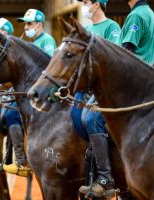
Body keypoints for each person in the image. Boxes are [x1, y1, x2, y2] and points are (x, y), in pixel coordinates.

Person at [72, 0, 121, 196]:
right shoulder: (87, 28)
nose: (84, 6)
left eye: (86, 2)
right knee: (73, 115)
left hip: (106, 89)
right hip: (88, 89)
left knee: (91, 118)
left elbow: (114, 58)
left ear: (98, 4)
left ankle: (105, 177)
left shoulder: (112, 27)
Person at [0, 18, 31, 176]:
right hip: (13, 89)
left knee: (11, 114)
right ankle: (7, 158)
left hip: (26, 90)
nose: (27, 27)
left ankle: (20, 160)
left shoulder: (17, 46)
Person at [119, 0, 154, 66]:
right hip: (146, 71)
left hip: (134, 71)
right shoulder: (149, 12)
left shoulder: (136, 15)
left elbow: (126, 51)